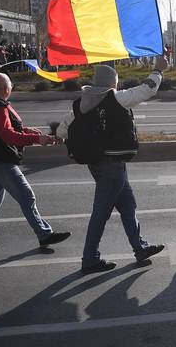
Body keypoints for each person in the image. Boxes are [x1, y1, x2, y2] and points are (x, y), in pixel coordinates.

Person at [58, 59, 168, 273]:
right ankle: (90, 259)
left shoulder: (81, 103)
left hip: (97, 163)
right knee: (101, 213)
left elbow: (61, 131)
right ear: (112, 83)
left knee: (128, 206)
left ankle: (140, 247)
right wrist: (158, 70)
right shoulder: (115, 98)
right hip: (113, 166)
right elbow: (146, 90)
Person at [0, 72, 70, 250]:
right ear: (6, 89)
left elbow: (2, 128)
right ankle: (44, 234)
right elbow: (7, 135)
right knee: (26, 196)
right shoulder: (0, 107)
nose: (11, 89)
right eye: (10, 86)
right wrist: (36, 139)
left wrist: (29, 131)